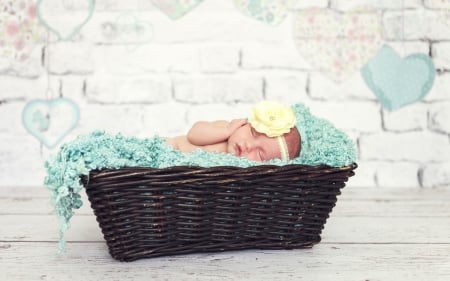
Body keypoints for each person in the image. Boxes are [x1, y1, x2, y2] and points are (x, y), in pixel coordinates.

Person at [165, 101, 301, 162]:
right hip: (167, 148)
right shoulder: (224, 128)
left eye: (260, 154)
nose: (249, 146)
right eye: (253, 133)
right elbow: (193, 134)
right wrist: (226, 131)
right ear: (244, 124)